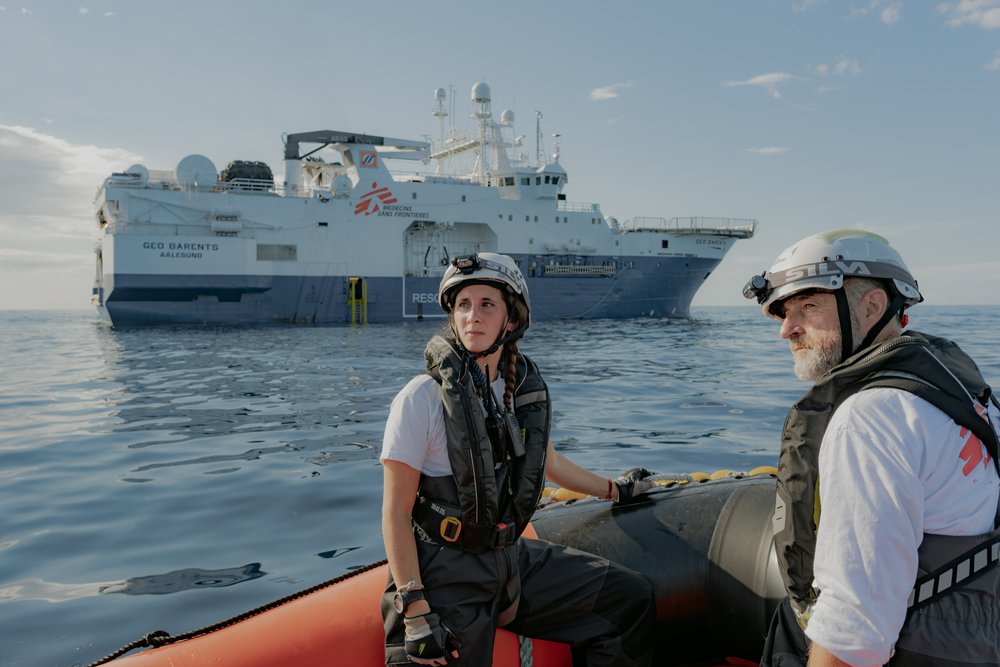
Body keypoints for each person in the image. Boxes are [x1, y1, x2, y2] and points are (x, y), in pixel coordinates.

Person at [380, 252, 656, 667]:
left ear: (510, 321)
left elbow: (547, 462)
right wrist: (416, 609)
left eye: (486, 305)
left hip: (508, 560)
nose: (473, 316)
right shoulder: (420, 398)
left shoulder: (514, 392)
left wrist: (614, 489)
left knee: (627, 600)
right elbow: (395, 514)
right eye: (463, 306)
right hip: (445, 573)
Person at [742, 229, 1000, 666]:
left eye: (808, 305)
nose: (787, 328)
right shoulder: (962, 396)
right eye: (783, 312)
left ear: (872, 306)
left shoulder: (872, 417)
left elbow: (852, 635)